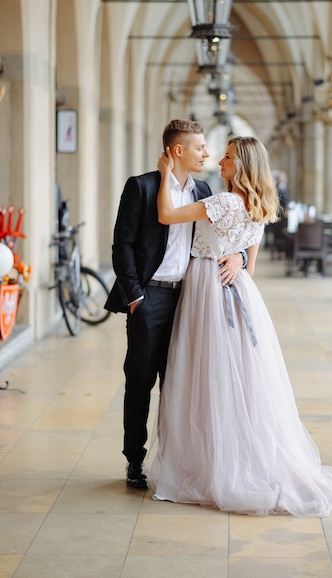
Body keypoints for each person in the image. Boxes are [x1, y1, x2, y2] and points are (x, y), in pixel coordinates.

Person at [146, 136, 332, 517]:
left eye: (226, 157)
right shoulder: (260, 207)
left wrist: (163, 175)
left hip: (208, 289)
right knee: (237, 374)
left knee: (206, 374)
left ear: (241, 166)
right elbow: (251, 265)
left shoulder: (224, 202)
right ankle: (235, 457)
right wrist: (240, 258)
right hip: (240, 291)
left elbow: (166, 215)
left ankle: (210, 465)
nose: (220, 161)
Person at [104, 119, 245, 489]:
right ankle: (134, 459)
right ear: (178, 150)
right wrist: (136, 297)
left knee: (181, 383)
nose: (207, 154)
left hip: (191, 298)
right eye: (200, 147)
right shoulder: (142, 186)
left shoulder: (203, 189)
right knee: (140, 380)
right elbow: (122, 246)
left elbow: (234, 229)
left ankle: (176, 462)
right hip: (149, 297)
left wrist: (240, 257)